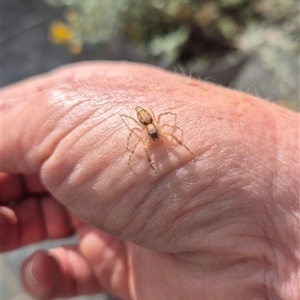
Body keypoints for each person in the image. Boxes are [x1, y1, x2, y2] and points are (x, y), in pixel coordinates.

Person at [1, 62, 299, 300]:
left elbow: (166, 123)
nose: (156, 139)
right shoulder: (145, 132)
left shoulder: (160, 128)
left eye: (156, 135)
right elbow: (141, 134)